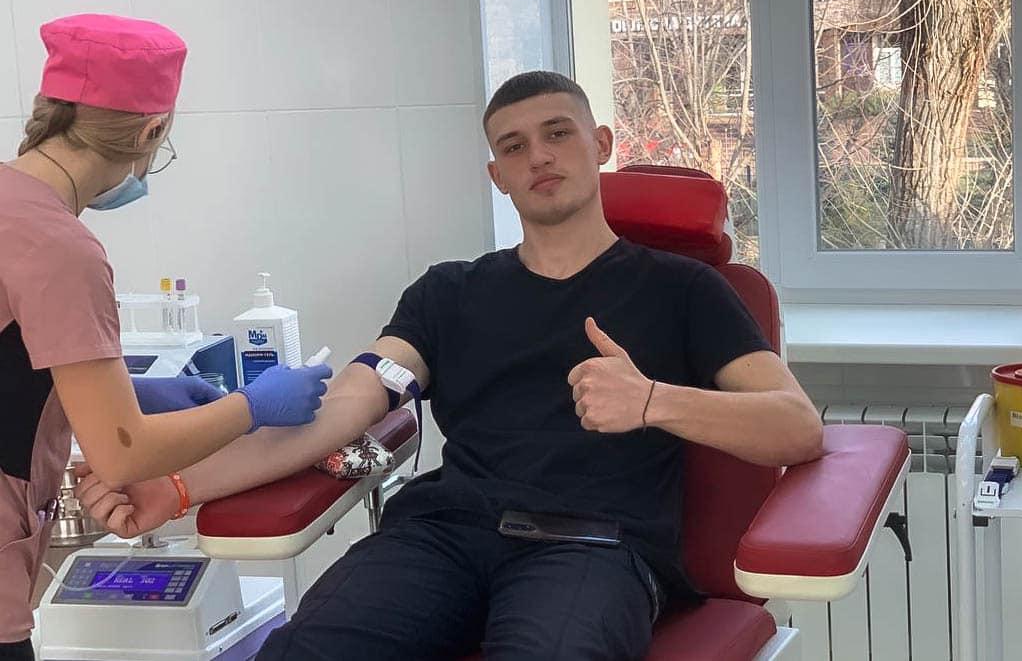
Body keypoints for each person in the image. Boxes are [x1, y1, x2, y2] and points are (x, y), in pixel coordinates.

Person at [79, 71, 823, 660]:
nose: (538, 156)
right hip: (441, 537)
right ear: (497, 175)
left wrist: (653, 400)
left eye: (557, 133)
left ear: (599, 143)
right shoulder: (448, 293)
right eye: (513, 146)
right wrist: (174, 486)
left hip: (592, 545)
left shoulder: (684, 290)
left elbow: (795, 427)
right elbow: (346, 409)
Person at [0, 14, 331, 661]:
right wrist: (251, 406)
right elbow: (124, 456)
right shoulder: (60, 246)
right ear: (151, 131)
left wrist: (121, 390)